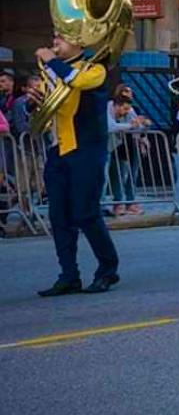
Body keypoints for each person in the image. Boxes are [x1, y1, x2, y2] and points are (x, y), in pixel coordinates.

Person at [31, 33, 121, 296]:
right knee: (59, 216)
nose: (55, 42)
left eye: (61, 38)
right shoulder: (54, 73)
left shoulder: (95, 69)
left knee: (86, 213)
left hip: (87, 151)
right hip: (58, 150)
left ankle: (108, 270)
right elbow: (47, 116)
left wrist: (51, 61)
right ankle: (69, 275)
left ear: (79, 43)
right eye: (54, 37)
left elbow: (76, 81)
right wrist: (34, 106)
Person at [107, 92, 148, 216]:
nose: (126, 112)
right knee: (105, 178)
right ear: (117, 105)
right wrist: (131, 125)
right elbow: (110, 126)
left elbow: (137, 126)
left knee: (123, 175)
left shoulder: (129, 110)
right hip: (104, 146)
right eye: (124, 109)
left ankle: (124, 203)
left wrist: (143, 124)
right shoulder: (107, 108)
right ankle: (104, 206)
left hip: (119, 147)